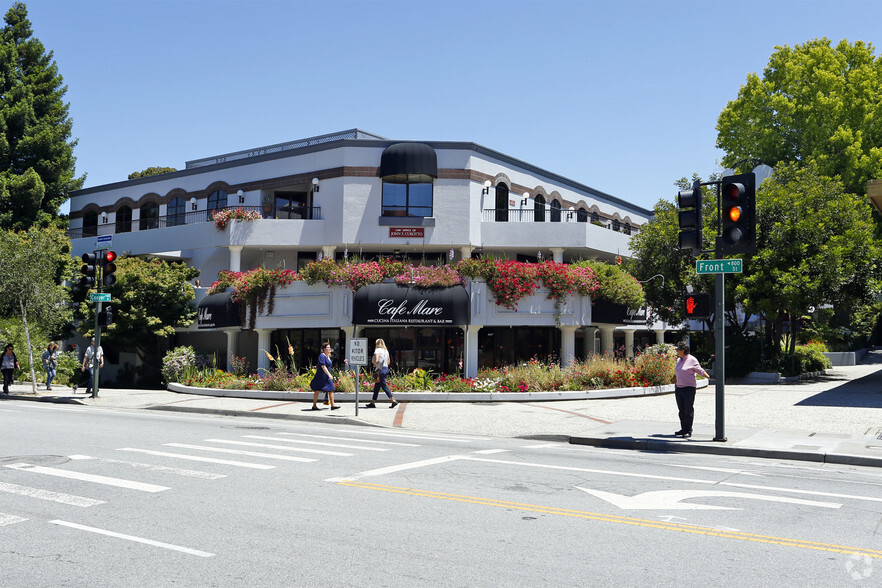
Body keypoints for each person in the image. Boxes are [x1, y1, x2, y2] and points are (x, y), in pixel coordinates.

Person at [673, 341, 709, 438]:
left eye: (677, 349)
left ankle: (688, 430)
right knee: (681, 410)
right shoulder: (678, 360)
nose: (676, 350)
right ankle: (683, 428)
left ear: (683, 350)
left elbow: (699, 370)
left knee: (688, 410)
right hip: (679, 388)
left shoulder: (692, 359)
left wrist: (708, 376)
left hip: (689, 388)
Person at [366, 338, 398, 409]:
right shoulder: (386, 351)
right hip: (386, 368)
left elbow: (376, 360)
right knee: (377, 386)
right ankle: (372, 402)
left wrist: (374, 365)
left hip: (380, 369)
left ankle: (393, 400)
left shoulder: (377, 350)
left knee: (383, 385)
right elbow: (389, 361)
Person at [309, 342, 339, 410]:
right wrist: (329, 374)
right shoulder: (322, 356)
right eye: (328, 347)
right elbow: (323, 366)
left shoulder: (328, 356)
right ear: (324, 349)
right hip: (321, 376)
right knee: (317, 390)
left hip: (327, 377)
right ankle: (314, 406)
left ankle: (333, 405)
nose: (329, 349)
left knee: (331, 389)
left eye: (329, 347)